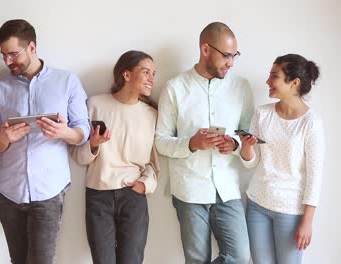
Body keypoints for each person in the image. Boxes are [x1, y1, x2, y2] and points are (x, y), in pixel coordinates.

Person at [0, 19, 90, 264]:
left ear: (32, 47)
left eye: (13, 54)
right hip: (10, 191)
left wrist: (64, 132)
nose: (8, 61)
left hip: (49, 190)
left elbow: (82, 131)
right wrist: (3, 138)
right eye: (4, 55)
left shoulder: (67, 81)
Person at [155, 22, 253, 263]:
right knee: (196, 259)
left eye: (235, 56)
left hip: (228, 188)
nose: (231, 63)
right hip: (189, 189)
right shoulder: (175, 88)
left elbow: (248, 136)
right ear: (206, 49)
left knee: (240, 258)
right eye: (227, 55)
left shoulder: (240, 87)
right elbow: (160, 141)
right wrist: (192, 143)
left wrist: (236, 145)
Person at [71, 50, 160, 264]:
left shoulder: (151, 114)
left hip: (133, 197)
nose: (152, 79)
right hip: (98, 195)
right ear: (126, 75)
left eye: (154, 74)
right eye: (146, 72)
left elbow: (153, 164)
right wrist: (93, 145)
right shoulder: (94, 105)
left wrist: (144, 185)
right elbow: (79, 157)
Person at [240, 54, 324, 264]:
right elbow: (250, 163)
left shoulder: (311, 124)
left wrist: (307, 221)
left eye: (274, 76)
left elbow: (315, 176)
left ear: (294, 83)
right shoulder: (262, 114)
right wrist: (247, 148)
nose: (268, 81)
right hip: (257, 205)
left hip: (290, 211)